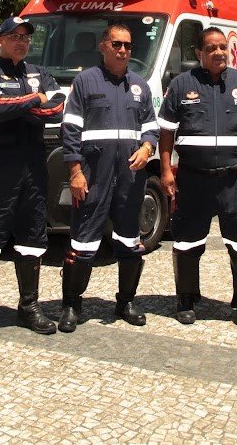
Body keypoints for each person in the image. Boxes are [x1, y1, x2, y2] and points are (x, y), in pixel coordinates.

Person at [158, 27, 237, 330]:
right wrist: (167, 169)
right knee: (186, 242)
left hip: (233, 181)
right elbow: (167, 132)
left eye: (223, 47)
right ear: (199, 53)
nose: (219, 52)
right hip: (193, 180)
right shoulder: (182, 85)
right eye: (211, 48)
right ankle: (186, 298)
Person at [0, 16, 66, 348]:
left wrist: (23, 108)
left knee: (34, 238)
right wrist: (35, 100)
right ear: (0, 40)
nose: (22, 42)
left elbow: (59, 108)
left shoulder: (39, 73)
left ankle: (29, 307)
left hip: (34, 169)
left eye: (26, 37)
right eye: (14, 36)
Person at [58, 23, 159, 332]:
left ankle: (126, 302)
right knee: (83, 242)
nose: (123, 50)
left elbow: (151, 126)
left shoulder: (140, 85)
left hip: (130, 178)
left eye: (128, 45)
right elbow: (70, 128)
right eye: (116, 44)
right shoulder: (85, 81)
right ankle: (71, 305)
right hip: (93, 175)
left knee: (130, 240)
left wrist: (147, 146)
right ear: (103, 47)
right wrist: (75, 171)